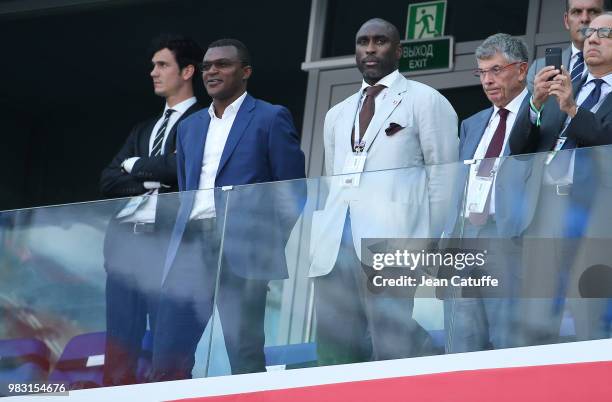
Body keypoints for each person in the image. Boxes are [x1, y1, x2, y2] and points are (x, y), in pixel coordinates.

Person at [150, 38, 305, 380]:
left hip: (243, 247)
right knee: (167, 355)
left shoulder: (270, 117)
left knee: (244, 354)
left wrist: (264, 244)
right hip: (191, 246)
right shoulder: (190, 128)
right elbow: (188, 191)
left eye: (222, 64)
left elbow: (292, 191)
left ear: (245, 71)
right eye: (206, 66)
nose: (212, 71)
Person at [309, 18, 458, 365]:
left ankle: (426, 367)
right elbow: (334, 177)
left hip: (394, 242)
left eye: (380, 41)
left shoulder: (425, 100)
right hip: (335, 243)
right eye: (363, 42)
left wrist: (422, 242)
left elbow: (445, 178)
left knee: (391, 346)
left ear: (398, 50)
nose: (371, 49)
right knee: (335, 350)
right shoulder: (336, 113)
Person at [99, 34, 204, 385]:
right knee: (119, 348)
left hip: (169, 245)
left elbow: (181, 171)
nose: (153, 72)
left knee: (167, 348)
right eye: (153, 66)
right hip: (126, 245)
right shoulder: (143, 128)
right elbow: (108, 180)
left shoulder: (204, 122)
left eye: (162, 65)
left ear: (187, 70)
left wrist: (136, 164)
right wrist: (149, 175)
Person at [516, 12, 612, 343]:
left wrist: (572, 108)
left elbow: (606, 137)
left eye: (604, 33)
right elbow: (519, 147)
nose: (593, 39)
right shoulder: (568, 86)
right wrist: (536, 103)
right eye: (589, 33)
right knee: (537, 316)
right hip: (546, 212)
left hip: (596, 217)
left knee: (591, 314)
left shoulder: (571, 96)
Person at [442, 33, 535, 352]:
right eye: (481, 72)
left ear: (522, 70)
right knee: (461, 341)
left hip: (508, 237)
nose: (487, 80)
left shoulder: (541, 114)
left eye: (496, 70)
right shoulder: (472, 123)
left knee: (507, 342)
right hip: (466, 235)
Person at [527, 0, 605, 93]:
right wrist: (536, 104)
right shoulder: (539, 67)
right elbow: (528, 107)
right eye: (577, 12)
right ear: (566, 21)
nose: (585, 19)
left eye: (593, 12)